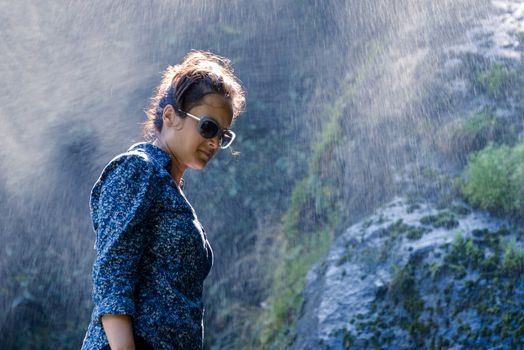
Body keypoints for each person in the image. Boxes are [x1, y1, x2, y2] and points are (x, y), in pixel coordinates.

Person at [81, 50, 245, 350]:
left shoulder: (171, 191)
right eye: (208, 127)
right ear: (170, 116)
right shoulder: (138, 169)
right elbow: (112, 274)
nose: (213, 142)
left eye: (222, 136)